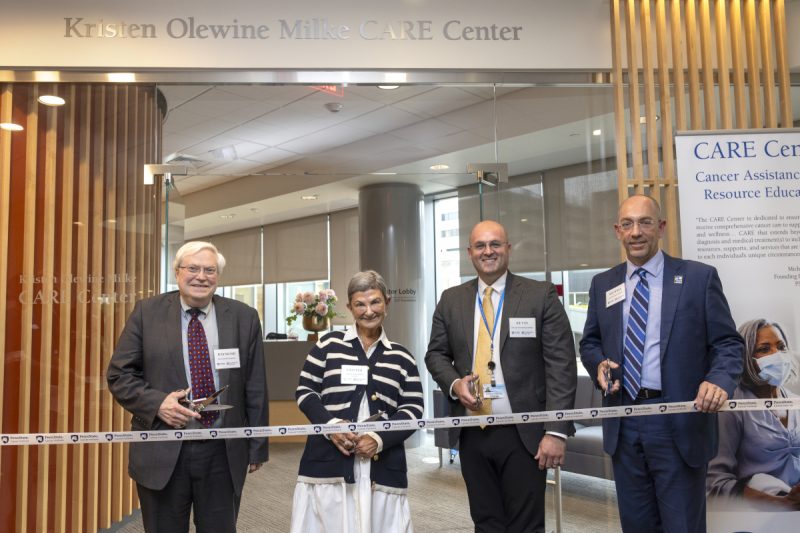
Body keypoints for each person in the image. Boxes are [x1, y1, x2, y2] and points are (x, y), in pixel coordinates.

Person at [580, 195, 743, 533]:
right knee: (637, 526)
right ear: (617, 231)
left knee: (682, 526)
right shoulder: (603, 284)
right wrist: (597, 366)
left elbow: (728, 344)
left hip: (678, 423)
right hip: (624, 423)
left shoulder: (698, 279)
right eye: (627, 224)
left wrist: (718, 381)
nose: (635, 232)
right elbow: (590, 342)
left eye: (645, 222)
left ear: (662, 228)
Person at [425, 220, 577, 533]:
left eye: (495, 244)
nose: (488, 251)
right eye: (480, 245)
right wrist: (454, 383)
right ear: (470, 253)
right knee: (486, 522)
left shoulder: (540, 295)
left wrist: (556, 431)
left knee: (526, 525)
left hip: (525, 434)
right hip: (472, 432)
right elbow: (436, 355)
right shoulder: (451, 299)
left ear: (508, 249)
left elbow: (561, 364)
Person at [107, 241, 268, 532]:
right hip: (163, 450)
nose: (201, 276)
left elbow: (255, 385)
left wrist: (258, 445)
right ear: (178, 272)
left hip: (222, 450)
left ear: (218, 276)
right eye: (193, 268)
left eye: (210, 270)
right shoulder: (147, 313)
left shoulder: (244, 317)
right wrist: (157, 404)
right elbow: (119, 375)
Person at [290, 270, 424, 533]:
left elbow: (414, 410)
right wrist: (332, 425)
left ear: (387, 302)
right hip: (328, 465)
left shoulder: (402, 357)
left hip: (383, 468)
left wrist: (379, 439)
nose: (368, 311)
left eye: (375, 302)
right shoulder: (328, 345)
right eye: (360, 304)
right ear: (350, 307)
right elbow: (306, 391)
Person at [707, 318, 800, 510]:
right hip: (754, 513)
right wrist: (780, 503)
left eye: (781, 347)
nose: (777, 355)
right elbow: (716, 482)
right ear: (747, 356)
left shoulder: (795, 401)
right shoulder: (732, 406)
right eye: (764, 349)